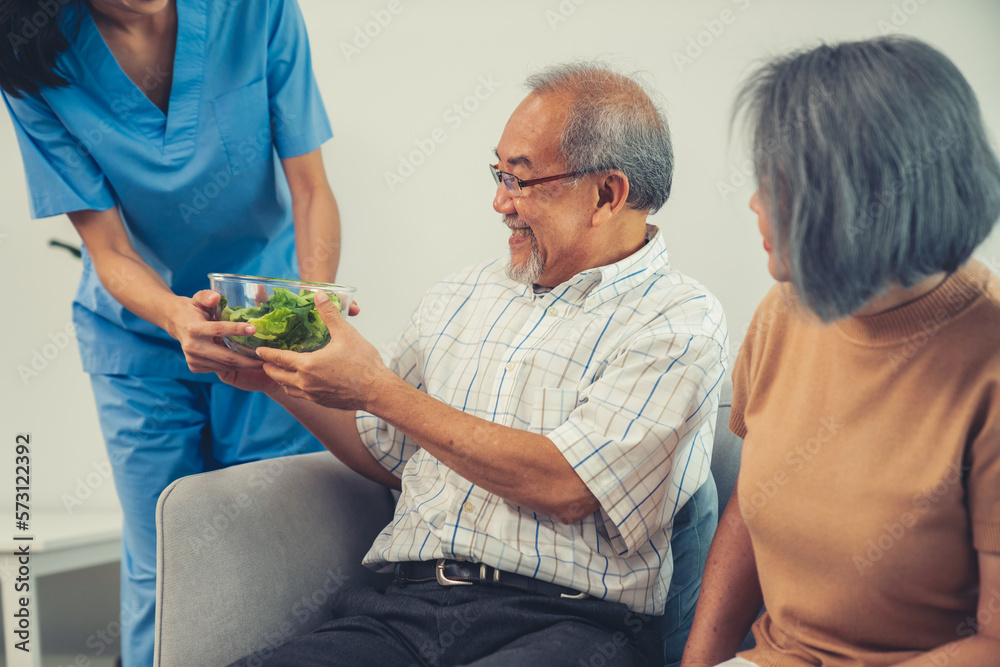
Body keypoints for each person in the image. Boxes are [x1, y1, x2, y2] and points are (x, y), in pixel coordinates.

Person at [217, 62, 729, 667]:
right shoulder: (461, 295)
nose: (498, 202)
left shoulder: (678, 320)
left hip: (569, 622)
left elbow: (567, 486)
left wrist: (378, 388)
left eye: (520, 180)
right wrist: (266, 371)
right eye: (498, 173)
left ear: (606, 195)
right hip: (404, 610)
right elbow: (386, 452)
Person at [1, 1, 345, 664]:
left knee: (281, 546)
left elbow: (310, 188)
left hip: (269, 317)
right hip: (136, 337)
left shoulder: (257, 11)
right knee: (164, 558)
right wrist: (175, 315)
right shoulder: (31, 54)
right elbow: (108, 250)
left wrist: (309, 315)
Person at [680, 36, 1000, 667]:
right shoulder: (786, 311)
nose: (753, 202)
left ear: (856, 203)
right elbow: (748, 504)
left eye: (775, 181)